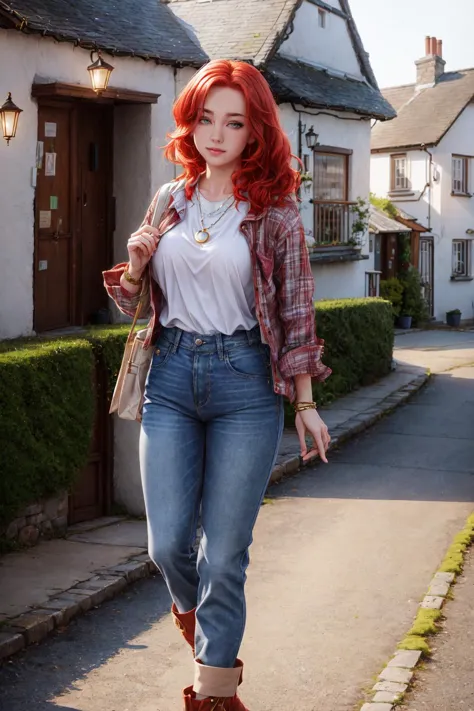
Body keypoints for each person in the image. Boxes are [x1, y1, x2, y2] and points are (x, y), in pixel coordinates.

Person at [103, 58, 331, 711]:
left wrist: (306, 403)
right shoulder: (169, 199)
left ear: (256, 129)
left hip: (245, 386)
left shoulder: (277, 212)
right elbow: (134, 302)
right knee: (168, 542)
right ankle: (197, 620)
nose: (217, 133)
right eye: (206, 117)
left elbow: (296, 311)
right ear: (191, 122)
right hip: (171, 375)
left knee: (225, 552)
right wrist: (134, 266)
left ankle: (212, 692)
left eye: (234, 121)